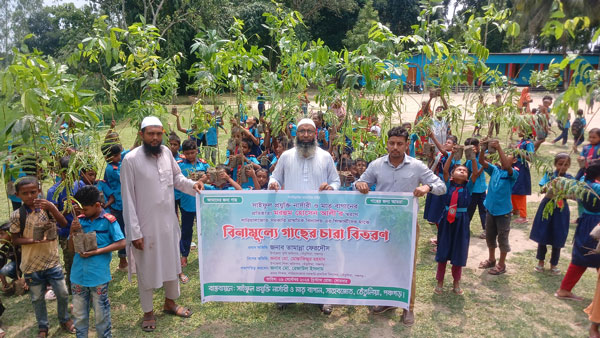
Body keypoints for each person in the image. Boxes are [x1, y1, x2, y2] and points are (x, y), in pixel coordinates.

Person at [355, 126, 446, 326]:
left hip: (406, 225)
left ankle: (408, 308)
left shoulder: (417, 166)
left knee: (407, 266)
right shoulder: (377, 165)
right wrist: (360, 185)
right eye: (391, 143)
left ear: (406, 145)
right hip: (382, 226)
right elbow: (361, 182)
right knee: (384, 263)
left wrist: (427, 187)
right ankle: (388, 302)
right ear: (387, 143)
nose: (395, 147)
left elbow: (441, 186)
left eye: (399, 144)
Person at [121, 116, 203, 332]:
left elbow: (177, 179)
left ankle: (170, 302)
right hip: (145, 228)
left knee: (171, 263)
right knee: (147, 268)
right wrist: (134, 232)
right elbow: (127, 199)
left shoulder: (167, 153)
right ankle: (148, 311)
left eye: (159, 133)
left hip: (168, 223)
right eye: (151, 134)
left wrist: (194, 185)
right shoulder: (130, 160)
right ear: (142, 135)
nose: (155, 138)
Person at [268, 118, 340, 315]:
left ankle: (321, 298)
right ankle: (288, 296)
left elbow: (336, 181)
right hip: (291, 218)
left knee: (319, 257)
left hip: (318, 217)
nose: (306, 135)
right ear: (296, 134)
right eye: (302, 131)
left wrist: (330, 187)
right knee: (292, 256)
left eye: (309, 131)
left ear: (315, 134)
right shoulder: (286, 156)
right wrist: (273, 183)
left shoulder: (325, 157)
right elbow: (275, 177)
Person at [10, 176, 74, 337]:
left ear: (39, 191)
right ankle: (43, 326)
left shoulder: (46, 209)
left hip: (52, 261)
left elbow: (63, 223)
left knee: (62, 293)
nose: (30, 196)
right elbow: (15, 239)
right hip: (32, 265)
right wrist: (35, 240)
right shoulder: (17, 215)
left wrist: (52, 207)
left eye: (33, 192)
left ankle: (64, 318)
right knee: (37, 298)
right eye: (25, 193)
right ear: (17, 195)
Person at [69, 185, 125, 338]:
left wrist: (97, 251)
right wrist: (72, 230)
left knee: (101, 313)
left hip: (98, 276)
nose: (82, 213)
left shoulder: (108, 221)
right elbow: (70, 248)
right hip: (78, 276)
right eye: (80, 210)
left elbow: (122, 242)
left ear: (98, 205)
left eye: (85, 209)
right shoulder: (79, 221)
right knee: (79, 314)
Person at [434, 145, 479, 295]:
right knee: (443, 248)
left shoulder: (469, 187)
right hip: (446, 220)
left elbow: (475, 173)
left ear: (467, 176)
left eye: (464, 171)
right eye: (459, 169)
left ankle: (456, 282)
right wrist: (452, 155)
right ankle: (440, 281)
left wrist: (472, 157)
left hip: (462, 221)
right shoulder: (448, 184)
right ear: (453, 174)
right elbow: (445, 170)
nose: (462, 171)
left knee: (459, 250)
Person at [555, 160, 600, 301]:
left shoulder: (581, 183)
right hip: (596, 224)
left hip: (585, 221)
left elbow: (580, 178)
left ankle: (564, 289)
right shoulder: (597, 188)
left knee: (580, 257)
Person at [478, 140, 519, 275]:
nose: (504, 156)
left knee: (502, 239)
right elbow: (482, 162)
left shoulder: (513, 173)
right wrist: (483, 149)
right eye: (503, 153)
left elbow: (506, 166)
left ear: (514, 160)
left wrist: (499, 147)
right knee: (490, 236)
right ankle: (491, 259)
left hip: (503, 212)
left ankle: (502, 264)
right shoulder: (495, 170)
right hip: (490, 209)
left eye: (508, 155)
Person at [47, 155, 86, 293]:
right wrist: (66, 210)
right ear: (62, 173)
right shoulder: (53, 192)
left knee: (86, 259)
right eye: (69, 173)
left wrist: (81, 209)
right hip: (66, 233)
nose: (72, 176)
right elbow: (53, 218)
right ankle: (74, 291)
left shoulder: (80, 185)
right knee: (71, 263)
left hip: (83, 230)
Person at [529, 153, 573, 275]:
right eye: (560, 164)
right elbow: (542, 189)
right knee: (543, 233)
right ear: (555, 164)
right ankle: (540, 262)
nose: (563, 167)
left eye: (566, 165)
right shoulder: (549, 175)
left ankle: (554, 264)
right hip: (547, 206)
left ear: (569, 166)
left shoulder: (569, 178)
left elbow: (573, 193)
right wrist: (551, 184)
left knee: (558, 236)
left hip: (561, 209)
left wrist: (564, 190)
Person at [177, 139, 209, 282]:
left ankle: (207, 254)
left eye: (193, 152)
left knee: (204, 228)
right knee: (186, 230)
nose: (191, 155)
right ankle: (184, 256)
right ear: (183, 153)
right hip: (187, 203)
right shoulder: (179, 166)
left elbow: (210, 176)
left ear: (197, 150)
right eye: (188, 153)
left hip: (203, 203)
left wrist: (204, 178)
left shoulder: (203, 163)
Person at [102, 143, 128, 272]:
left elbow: (126, 153)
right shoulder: (111, 169)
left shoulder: (117, 161)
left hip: (125, 202)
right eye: (117, 156)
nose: (119, 157)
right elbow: (125, 178)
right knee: (122, 231)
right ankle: (123, 260)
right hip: (119, 205)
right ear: (109, 157)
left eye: (119, 155)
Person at [464, 138, 487, 239]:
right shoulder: (470, 161)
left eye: (476, 146)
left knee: (484, 210)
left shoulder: (482, 155)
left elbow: (487, 149)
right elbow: (476, 173)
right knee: (470, 210)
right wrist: (484, 165)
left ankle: (486, 229)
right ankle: (464, 228)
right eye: (472, 147)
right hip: (473, 190)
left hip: (482, 189)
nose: (475, 149)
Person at [511, 130, 535, 224]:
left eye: (520, 129)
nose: (517, 131)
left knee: (520, 190)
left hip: (521, 167)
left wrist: (519, 152)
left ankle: (523, 215)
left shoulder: (529, 143)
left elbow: (531, 158)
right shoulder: (520, 141)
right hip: (515, 166)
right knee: (513, 187)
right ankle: (515, 209)